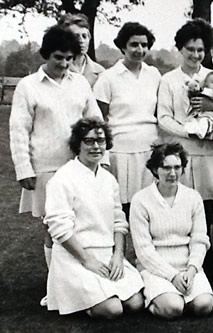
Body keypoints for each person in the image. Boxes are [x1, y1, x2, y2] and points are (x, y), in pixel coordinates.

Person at [9, 25, 104, 305]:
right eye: (58, 58)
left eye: (69, 58)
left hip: (79, 167)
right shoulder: (28, 86)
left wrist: (103, 159)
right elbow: (18, 130)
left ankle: (78, 281)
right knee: (53, 230)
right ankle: (56, 288)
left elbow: (96, 123)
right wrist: (24, 169)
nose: (64, 64)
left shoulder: (80, 83)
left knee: (79, 225)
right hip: (45, 169)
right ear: (45, 55)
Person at [157, 19, 213, 279]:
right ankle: (188, 269)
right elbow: (164, 118)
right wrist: (187, 130)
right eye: (190, 49)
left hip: (212, 156)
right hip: (185, 155)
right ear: (180, 49)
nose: (196, 55)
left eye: (201, 50)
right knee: (188, 212)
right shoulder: (169, 80)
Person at [44, 117, 144, 318]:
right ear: (77, 145)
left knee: (136, 303)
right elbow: (59, 229)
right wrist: (87, 260)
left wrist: (118, 255)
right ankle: (76, 300)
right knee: (112, 310)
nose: (96, 147)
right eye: (89, 141)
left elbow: (118, 221)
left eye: (101, 141)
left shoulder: (108, 179)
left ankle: (99, 292)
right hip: (75, 258)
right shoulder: (63, 179)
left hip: (106, 255)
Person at [130, 143, 213, 319]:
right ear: (155, 170)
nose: (172, 173)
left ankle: (183, 296)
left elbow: (199, 240)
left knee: (204, 306)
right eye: (166, 168)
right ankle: (153, 302)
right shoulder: (140, 200)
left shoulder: (193, 197)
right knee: (173, 309)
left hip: (187, 266)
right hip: (156, 267)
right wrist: (172, 276)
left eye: (177, 167)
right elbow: (143, 250)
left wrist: (191, 271)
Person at [94, 22, 161, 216]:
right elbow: (99, 119)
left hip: (149, 150)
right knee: (121, 209)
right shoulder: (108, 78)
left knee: (149, 208)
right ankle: (119, 247)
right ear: (123, 46)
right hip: (120, 153)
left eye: (144, 45)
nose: (139, 50)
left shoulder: (154, 74)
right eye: (134, 44)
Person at [58, 13, 105, 87]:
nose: (81, 40)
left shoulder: (100, 72)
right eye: (76, 36)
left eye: (84, 36)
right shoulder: (57, 69)